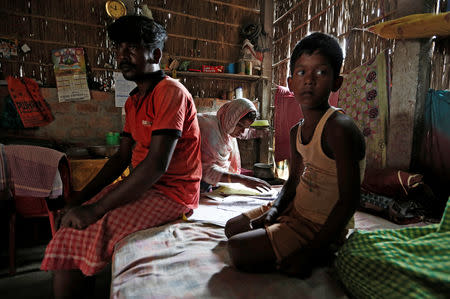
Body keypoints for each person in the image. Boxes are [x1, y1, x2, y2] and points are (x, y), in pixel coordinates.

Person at [40, 15, 202, 299]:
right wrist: (80, 198)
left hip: (173, 194)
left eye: (132, 48)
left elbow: (155, 166)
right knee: (69, 224)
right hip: (145, 187)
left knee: (78, 230)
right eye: (119, 48)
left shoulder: (170, 93)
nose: (122, 55)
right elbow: (121, 158)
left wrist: (96, 209)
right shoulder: (133, 101)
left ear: (156, 54)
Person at [224, 32, 366, 276]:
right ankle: (283, 235)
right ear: (290, 83)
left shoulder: (339, 128)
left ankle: (325, 250)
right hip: (294, 209)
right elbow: (292, 181)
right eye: (301, 72)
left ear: (336, 82)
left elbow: (349, 199)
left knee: (238, 250)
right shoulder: (295, 131)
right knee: (232, 227)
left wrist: (310, 253)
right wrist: (275, 211)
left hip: (318, 224)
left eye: (320, 72)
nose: (309, 81)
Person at [197, 98, 271, 193]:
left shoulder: (226, 126)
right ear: (231, 118)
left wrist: (263, 133)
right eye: (240, 126)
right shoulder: (207, 128)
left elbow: (246, 133)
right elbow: (205, 171)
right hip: (192, 184)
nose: (242, 132)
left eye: (246, 128)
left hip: (212, 183)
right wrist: (244, 180)